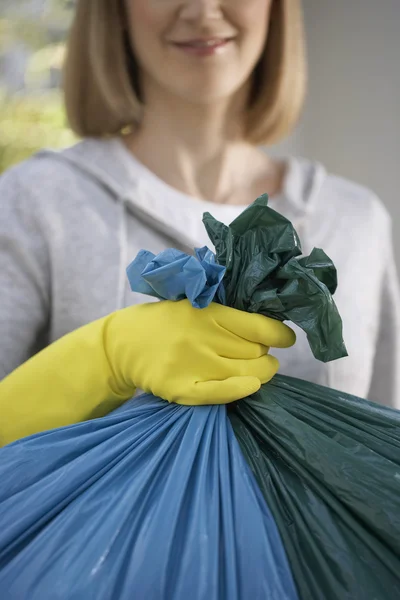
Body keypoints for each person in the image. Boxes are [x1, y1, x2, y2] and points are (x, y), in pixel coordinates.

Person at [0, 0, 399, 409]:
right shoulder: (36, 204)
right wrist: (102, 358)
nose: (204, 10)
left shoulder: (355, 220)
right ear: (115, 9)